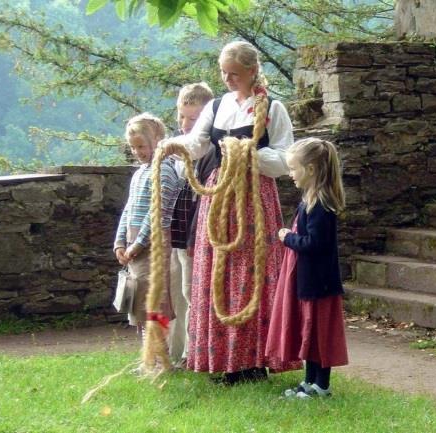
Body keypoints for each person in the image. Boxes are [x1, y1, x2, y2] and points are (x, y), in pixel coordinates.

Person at [159, 40, 298, 384]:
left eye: (233, 73)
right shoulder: (218, 106)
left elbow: (285, 158)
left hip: (254, 197)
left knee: (252, 276)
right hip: (219, 197)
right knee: (216, 276)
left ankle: (252, 362)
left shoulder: (273, 108)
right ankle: (221, 359)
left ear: (252, 71)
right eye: (223, 72)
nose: (227, 79)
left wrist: (250, 154)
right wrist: (175, 146)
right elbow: (198, 142)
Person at [266, 137, 349, 398]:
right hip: (309, 282)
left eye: (293, 168)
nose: (290, 174)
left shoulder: (322, 206)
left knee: (319, 337)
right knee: (308, 335)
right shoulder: (309, 202)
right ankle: (309, 382)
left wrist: (286, 238)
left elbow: (315, 243)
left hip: (320, 284)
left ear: (310, 170)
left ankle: (321, 386)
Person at [114, 113, 182, 344]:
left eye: (141, 146)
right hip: (134, 245)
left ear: (158, 140)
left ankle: (159, 350)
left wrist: (139, 243)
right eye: (133, 148)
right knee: (138, 298)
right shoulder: (139, 173)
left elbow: (159, 212)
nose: (137, 152)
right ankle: (147, 352)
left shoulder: (164, 170)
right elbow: (128, 209)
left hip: (153, 245)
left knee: (154, 300)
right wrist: (120, 242)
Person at [167, 82, 217, 367]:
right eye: (181, 118)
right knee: (178, 294)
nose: (185, 125)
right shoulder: (179, 148)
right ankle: (178, 350)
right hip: (177, 233)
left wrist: (192, 240)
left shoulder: (210, 153)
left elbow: (202, 201)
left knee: (192, 292)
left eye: (193, 119)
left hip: (193, 235)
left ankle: (193, 352)